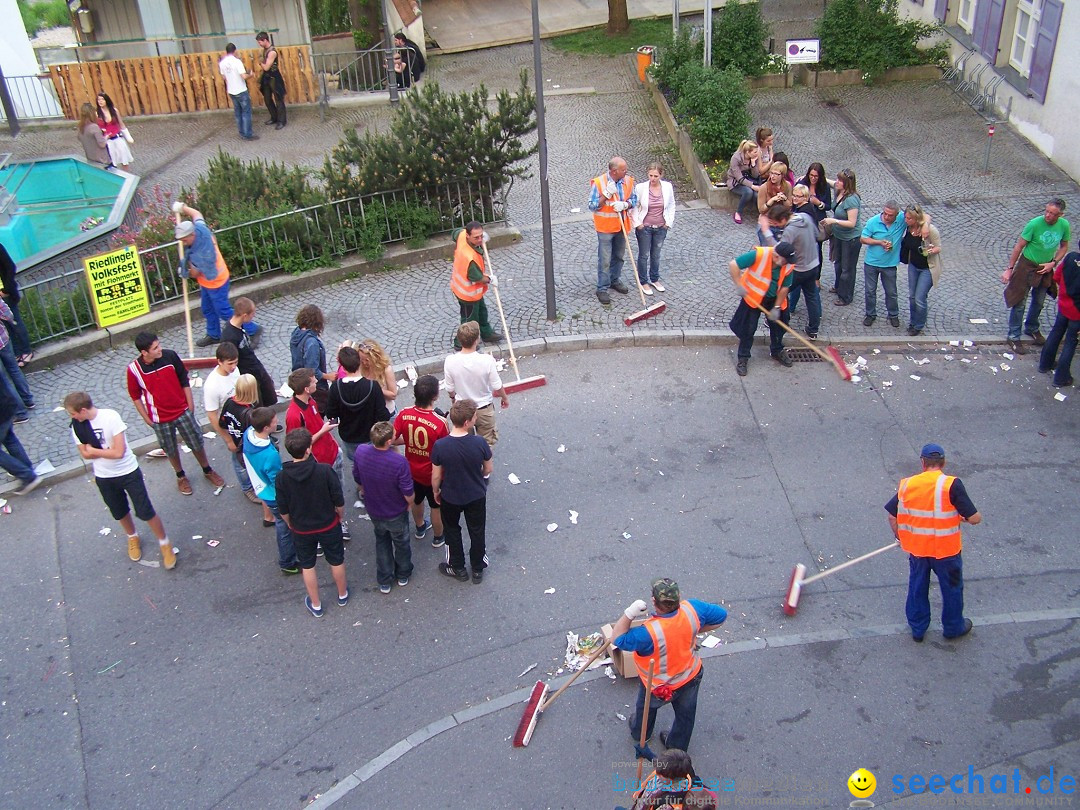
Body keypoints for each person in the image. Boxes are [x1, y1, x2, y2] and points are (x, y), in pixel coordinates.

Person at [611, 578, 727, 753]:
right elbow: (721, 617)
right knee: (685, 715)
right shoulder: (692, 609)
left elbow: (618, 638)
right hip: (690, 675)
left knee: (645, 709)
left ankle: (641, 733)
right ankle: (676, 747)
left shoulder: (648, 633)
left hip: (658, 684)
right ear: (679, 597)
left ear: (653, 601)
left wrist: (629, 613)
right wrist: (694, 631)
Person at [63, 391, 175, 569]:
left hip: (128, 472)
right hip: (104, 476)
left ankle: (164, 543)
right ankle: (132, 537)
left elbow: (118, 452)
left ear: (83, 410)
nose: (72, 417)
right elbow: (84, 453)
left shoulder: (110, 417)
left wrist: (95, 451)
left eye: (73, 413)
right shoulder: (77, 426)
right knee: (119, 511)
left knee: (145, 510)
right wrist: (96, 452)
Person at [886, 443, 981, 642]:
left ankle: (918, 628)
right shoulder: (951, 484)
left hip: (919, 550)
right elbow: (975, 518)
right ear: (943, 462)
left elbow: (892, 516)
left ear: (922, 462)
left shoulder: (908, 484)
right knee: (952, 588)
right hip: (947, 551)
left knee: (917, 587)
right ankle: (953, 627)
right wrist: (959, 517)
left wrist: (900, 536)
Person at [125, 332, 225, 496]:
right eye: (155, 348)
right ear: (144, 352)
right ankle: (180, 476)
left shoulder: (170, 357)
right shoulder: (134, 370)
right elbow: (135, 396)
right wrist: (147, 419)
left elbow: (183, 380)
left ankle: (207, 469)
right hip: (159, 419)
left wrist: (190, 405)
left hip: (182, 411)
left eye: (159, 345)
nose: (160, 349)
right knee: (170, 449)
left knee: (196, 442)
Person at [277, 427, 349, 617]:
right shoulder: (324, 470)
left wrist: (291, 524)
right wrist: (339, 516)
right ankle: (342, 594)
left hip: (301, 529)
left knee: (308, 565)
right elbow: (338, 500)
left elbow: (283, 509)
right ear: (309, 449)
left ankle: (316, 604)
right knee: (336, 559)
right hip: (328, 524)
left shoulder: (282, 477)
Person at [172, 202, 262, 348]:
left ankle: (253, 330)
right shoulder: (200, 228)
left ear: (192, 234)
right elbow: (197, 215)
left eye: (184, 240)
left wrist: (185, 273)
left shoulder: (203, 251)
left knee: (223, 311)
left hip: (217, 282)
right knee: (207, 309)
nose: (183, 243)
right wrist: (183, 208)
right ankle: (214, 335)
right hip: (207, 282)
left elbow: (195, 273)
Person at [431, 398, 492, 584]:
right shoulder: (479, 443)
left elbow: (435, 475)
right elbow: (488, 469)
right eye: (474, 417)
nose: (475, 419)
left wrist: (436, 491)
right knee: (477, 530)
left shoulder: (440, 446)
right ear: (467, 422)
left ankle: (457, 567)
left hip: (451, 495)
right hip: (475, 494)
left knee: (452, 530)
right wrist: (477, 475)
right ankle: (477, 567)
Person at [285, 368, 349, 541]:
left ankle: (339, 522)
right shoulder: (294, 415)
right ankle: (323, 531)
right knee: (323, 497)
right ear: (306, 388)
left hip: (332, 453)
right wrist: (323, 430)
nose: (316, 383)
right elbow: (298, 445)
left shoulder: (311, 401)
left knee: (337, 491)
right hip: (319, 461)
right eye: (314, 381)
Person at [352, 421, 414, 594]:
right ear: (388, 442)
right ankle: (403, 573)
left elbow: (357, 476)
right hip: (395, 511)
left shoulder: (361, 452)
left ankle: (385, 579)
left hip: (374, 508)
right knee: (401, 543)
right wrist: (409, 503)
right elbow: (407, 490)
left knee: (382, 541)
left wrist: (363, 489)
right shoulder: (399, 462)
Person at [1003, 198, 1071, 355]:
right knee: (1019, 302)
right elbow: (1019, 246)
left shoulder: (1064, 225)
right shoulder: (1034, 224)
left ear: (1060, 214)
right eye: (1047, 211)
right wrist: (1010, 269)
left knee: (1039, 301)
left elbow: (1064, 246)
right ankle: (1013, 336)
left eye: (1053, 214)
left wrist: (1053, 263)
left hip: (1045, 267)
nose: (1048, 215)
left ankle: (1032, 327)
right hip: (1027, 265)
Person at [393, 374, 449, 549]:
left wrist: (409, 440)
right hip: (432, 473)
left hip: (411, 470)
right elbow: (445, 450)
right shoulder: (440, 423)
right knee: (436, 505)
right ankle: (439, 537)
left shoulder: (404, 414)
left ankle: (419, 527)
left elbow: (392, 439)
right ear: (435, 397)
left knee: (417, 501)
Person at [324, 346, 389, 493]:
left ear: (342, 366)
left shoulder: (336, 388)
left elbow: (331, 414)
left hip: (349, 436)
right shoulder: (373, 386)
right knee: (374, 463)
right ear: (359, 362)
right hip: (370, 435)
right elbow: (383, 415)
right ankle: (377, 488)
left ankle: (362, 489)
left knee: (357, 464)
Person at [243, 407, 299, 574]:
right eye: (274, 421)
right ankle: (288, 562)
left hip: (261, 488)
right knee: (285, 527)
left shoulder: (248, 434)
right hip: (274, 496)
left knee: (281, 523)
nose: (277, 423)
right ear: (266, 428)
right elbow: (277, 481)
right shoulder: (270, 455)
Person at [727, 242, 796, 376]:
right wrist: (739, 285)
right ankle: (743, 357)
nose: (788, 263)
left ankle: (777, 350)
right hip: (753, 298)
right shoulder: (759, 255)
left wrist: (776, 307)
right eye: (786, 260)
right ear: (777, 257)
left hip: (774, 299)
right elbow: (733, 265)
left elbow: (785, 287)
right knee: (748, 328)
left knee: (778, 327)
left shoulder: (787, 264)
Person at [216, 373, 276, 526]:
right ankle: (249, 489)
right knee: (252, 471)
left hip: (236, 443)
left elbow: (222, 422)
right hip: (247, 448)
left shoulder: (229, 402)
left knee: (238, 465)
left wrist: (229, 440)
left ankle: (246, 487)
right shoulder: (250, 413)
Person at [760, 199, 821, 339]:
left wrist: (766, 231)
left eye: (776, 223)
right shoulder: (805, 217)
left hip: (798, 269)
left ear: (783, 219)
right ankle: (813, 329)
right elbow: (817, 235)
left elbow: (779, 250)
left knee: (781, 292)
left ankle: (780, 320)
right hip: (813, 265)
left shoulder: (790, 230)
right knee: (811, 296)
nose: (776, 226)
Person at [443, 321, 509, 447]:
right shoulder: (486, 360)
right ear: (477, 340)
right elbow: (497, 385)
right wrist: (504, 398)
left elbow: (450, 388)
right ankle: (486, 465)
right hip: (484, 408)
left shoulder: (450, 361)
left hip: (462, 409)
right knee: (487, 443)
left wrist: (453, 399)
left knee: (465, 443)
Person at [589, 157, 638, 304]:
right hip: (605, 228)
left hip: (622, 226)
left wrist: (625, 205)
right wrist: (606, 195)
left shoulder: (628, 181)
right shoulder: (599, 183)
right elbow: (592, 205)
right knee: (604, 259)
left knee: (619, 256)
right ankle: (602, 288)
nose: (626, 171)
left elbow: (634, 199)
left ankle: (614, 280)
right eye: (623, 169)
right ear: (614, 171)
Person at [450, 221, 502, 345]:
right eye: (476, 237)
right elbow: (477, 277)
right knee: (469, 320)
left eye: (481, 236)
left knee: (482, 312)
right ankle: (461, 343)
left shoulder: (462, 235)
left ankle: (486, 333)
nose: (480, 239)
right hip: (467, 294)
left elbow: (454, 233)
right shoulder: (469, 257)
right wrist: (490, 279)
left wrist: (481, 237)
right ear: (468, 236)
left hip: (473, 292)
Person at [618, 748, 719, 810]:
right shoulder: (686, 771)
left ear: (671, 779)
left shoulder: (667, 804)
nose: (657, 773)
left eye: (660, 774)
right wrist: (650, 756)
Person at [859, 200, 907, 328]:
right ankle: (870, 314)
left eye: (890, 215)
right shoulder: (873, 222)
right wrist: (879, 242)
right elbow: (863, 238)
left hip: (890, 264)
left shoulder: (902, 218)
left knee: (891, 292)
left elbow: (921, 216)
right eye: (885, 213)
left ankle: (893, 315)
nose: (886, 217)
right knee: (870, 291)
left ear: (897, 214)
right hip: (872, 263)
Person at [221, 297, 275, 407]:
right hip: (247, 375)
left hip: (255, 367)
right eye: (252, 314)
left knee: (270, 395)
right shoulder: (229, 336)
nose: (254, 316)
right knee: (258, 405)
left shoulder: (239, 326)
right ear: (245, 315)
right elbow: (230, 361)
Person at [1038, 244, 1080, 387]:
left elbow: (1057, 277)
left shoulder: (1070, 257)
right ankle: (1061, 378)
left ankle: (1045, 363)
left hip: (1064, 304)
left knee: (1056, 332)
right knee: (1071, 342)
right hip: (1077, 312)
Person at [630, 162, 675, 296]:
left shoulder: (667, 187)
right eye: (650, 175)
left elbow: (671, 204)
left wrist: (668, 223)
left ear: (661, 175)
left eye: (656, 176)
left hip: (661, 227)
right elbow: (634, 206)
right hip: (645, 227)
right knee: (643, 255)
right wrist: (638, 224)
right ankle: (643, 281)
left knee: (656, 255)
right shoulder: (640, 188)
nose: (653, 178)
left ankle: (654, 279)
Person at [900, 204, 943, 336]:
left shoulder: (930, 230)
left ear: (916, 219)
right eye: (906, 218)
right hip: (913, 265)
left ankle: (919, 324)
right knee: (912, 296)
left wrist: (930, 250)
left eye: (909, 219)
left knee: (919, 297)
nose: (906, 220)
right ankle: (913, 321)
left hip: (928, 268)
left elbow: (938, 247)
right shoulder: (908, 228)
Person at [821, 169, 862, 306]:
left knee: (847, 268)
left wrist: (834, 221)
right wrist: (821, 176)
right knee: (838, 263)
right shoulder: (839, 190)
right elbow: (831, 183)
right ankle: (839, 287)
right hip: (838, 235)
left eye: (840, 181)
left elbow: (852, 223)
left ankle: (846, 296)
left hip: (850, 238)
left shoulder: (851, 200)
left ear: (846, 184)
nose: (836, 182)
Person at [290, 304, 333, 407]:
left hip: (299, 383)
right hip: (315, 389)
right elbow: (312, 370)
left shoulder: (296, 333)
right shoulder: (312, 343)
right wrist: (329, 377)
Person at [1, 235, 34, 367]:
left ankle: (26, 350)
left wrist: (6, 289)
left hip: (5, 293)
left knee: (15, 322)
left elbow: (10, 267)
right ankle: (17, 352)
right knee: (6, 326)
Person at [0, 298, 34, 424]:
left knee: (4, 381)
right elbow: (7, 314)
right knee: (14, 370)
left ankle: (20, 412)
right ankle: (28, 399)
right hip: (3, 338)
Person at [0, 383, 38, 495]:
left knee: (8, 437)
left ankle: (27, 475)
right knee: (8, 437)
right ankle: (26, 467)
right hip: (6, 403)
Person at [219, 43, 257, 141]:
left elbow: (224, 77)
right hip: (240, 89)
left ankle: (241, 132)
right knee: (246, 112)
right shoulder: (237, 62)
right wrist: (251, 75)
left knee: (238, 112)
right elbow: (244, 76)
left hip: (231, 90)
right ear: (235, 51)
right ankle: (247, 133)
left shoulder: (222, 63)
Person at [726, 139, 763, 225]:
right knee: (748, 192)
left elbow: (755, 175)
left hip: (750, 179)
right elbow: (739, 178)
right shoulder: (736, 158)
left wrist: (753, 164)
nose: (757, 153)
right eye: (755, 152)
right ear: (748, 152)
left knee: (756, 195)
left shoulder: (754, 158)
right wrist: (753, 186)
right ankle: (738, 213)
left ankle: (760, 214)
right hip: (736, 182)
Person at [358, 339, 398, 417]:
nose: (364, 363)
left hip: (387, 413)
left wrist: (375, 388)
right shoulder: (361, 368)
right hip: (370, 413)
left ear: (375, 358)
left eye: (367, 360)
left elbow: (393, 395)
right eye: (361, 360)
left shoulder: (386, 369)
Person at [256, 32, 286, 129]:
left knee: (278, 99)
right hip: (267, 77)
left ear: (265, 40)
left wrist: (261, 62)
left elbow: (266, 67)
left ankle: (281, 121)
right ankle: (274, 117)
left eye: (260, 42)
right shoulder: (265, 50)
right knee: (267, 99)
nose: (259, 44)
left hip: (274, 77)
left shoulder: (272, 52)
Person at [756, 162, 792, 244]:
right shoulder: (764, 188)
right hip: (767, 224)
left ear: (782, 175)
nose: (772, 176)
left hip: (781, 225)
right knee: (767, 252)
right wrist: (771, 201)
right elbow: (761, 210)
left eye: (776, 174)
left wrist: (784, 199)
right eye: (771, 173)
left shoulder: (787, 186)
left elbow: (789, 206)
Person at [95, 92, 132, 171]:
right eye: (99, 99)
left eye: (102, 99)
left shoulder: (114, 111)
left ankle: (128, 176)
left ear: (106, 100)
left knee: (124, 159)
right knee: (112, 161)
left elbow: (121, 124)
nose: (100, 101)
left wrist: (127, 136)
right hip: (108, 141)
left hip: (117, 138)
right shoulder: (97, 114)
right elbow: (97, 128)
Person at [77, 102, 110, 167]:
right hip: (102, 161)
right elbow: (102, 144)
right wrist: (106, 137)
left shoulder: (81, 128)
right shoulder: (94, 127)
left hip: (90, 160)